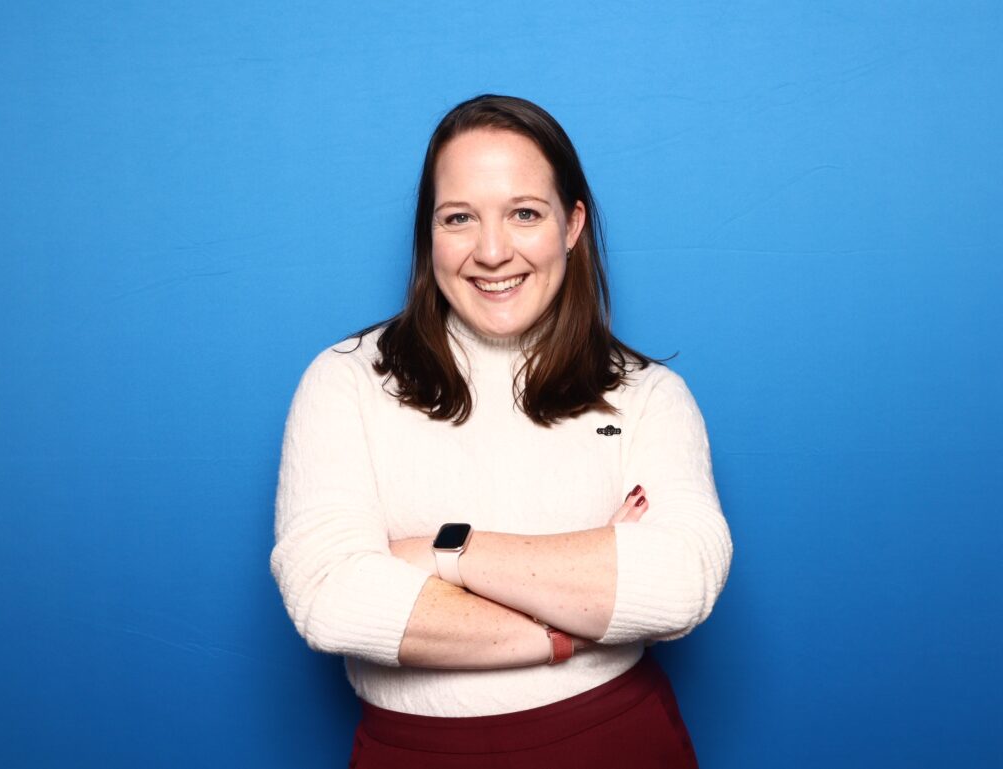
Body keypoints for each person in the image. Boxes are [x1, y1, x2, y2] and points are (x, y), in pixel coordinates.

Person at [270, 94, 733, 768]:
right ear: (430, 232)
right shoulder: (345, 382)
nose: (492, 252)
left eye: (524, 213)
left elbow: (679, 583)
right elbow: (330, 597)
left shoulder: (647, 395)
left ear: (571, 223)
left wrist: (442, 550)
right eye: (460, 218)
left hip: (617, 742)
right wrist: (570, 619)